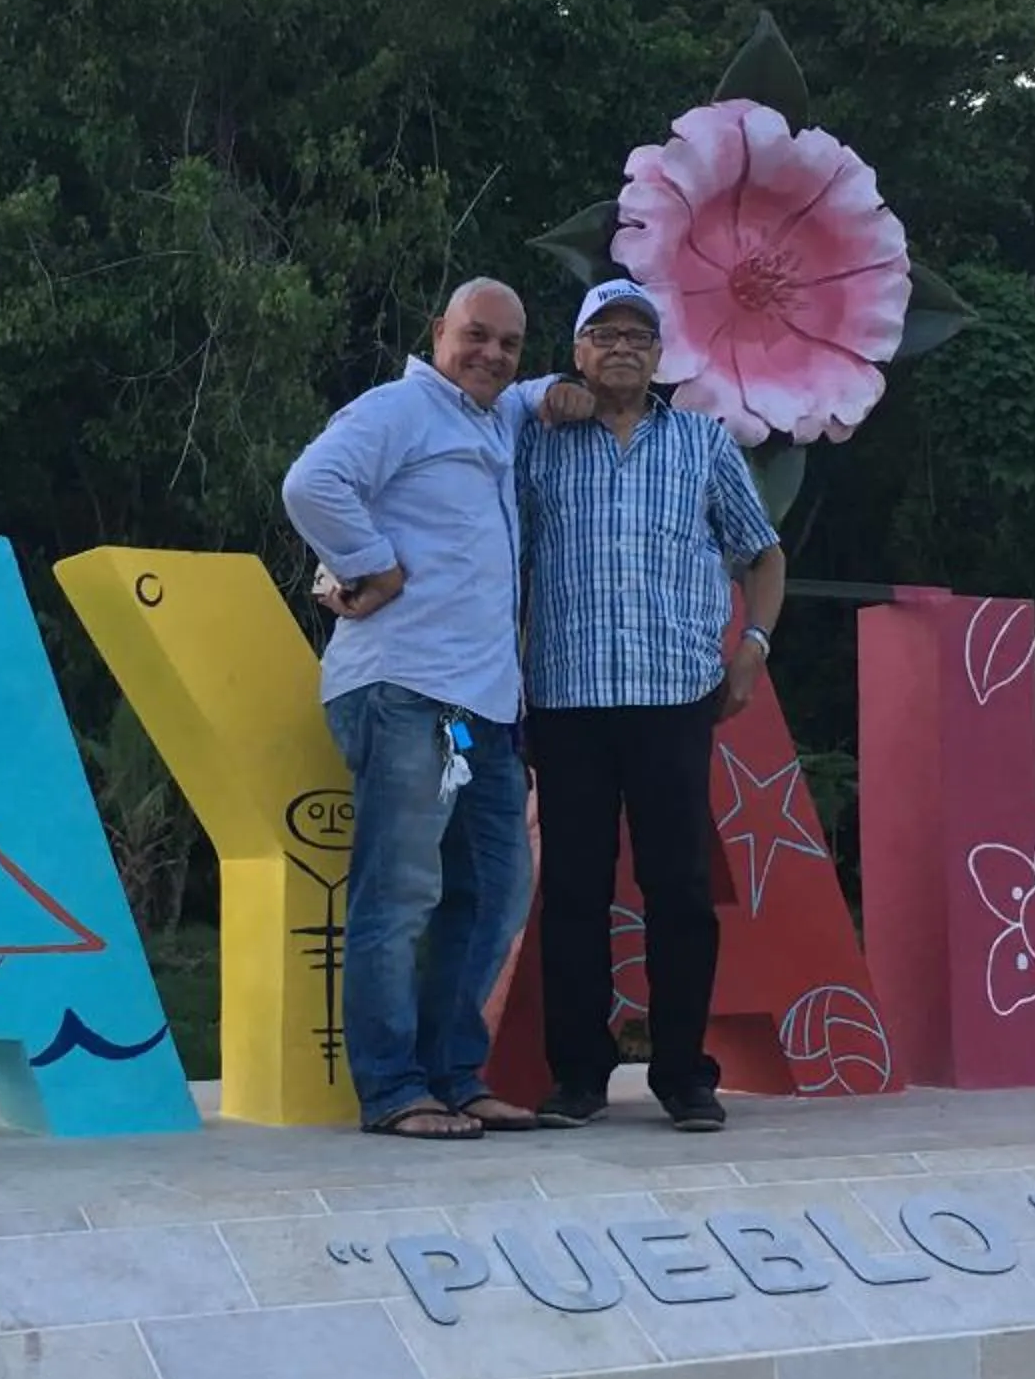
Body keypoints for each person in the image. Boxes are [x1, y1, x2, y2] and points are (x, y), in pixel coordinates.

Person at [280, 279, 546, 1139]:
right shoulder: (399, 407)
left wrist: (558, 389)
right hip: (404, 691)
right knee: (399, 895)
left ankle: (455, 1075)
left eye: (509, 344)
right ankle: (393, 1088)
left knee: (496, 891)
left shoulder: (495, 417)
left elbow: (534, 393)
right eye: (477, 335)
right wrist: (371, 562)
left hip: (481, 709)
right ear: (439, 332)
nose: (493, 355)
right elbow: (312, 483)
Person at [521, 279, 786, 1132]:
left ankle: (682, 1074)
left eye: (639, 332)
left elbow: (763, 553)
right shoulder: (540, 443)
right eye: (604, 332)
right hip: (566, 698)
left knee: (677, 890)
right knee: (571, 893)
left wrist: (754, 649)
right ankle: (578, 1075)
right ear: (577, 352)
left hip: (676, 700)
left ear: (661, 355)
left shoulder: (704, 444)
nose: (623, 345)